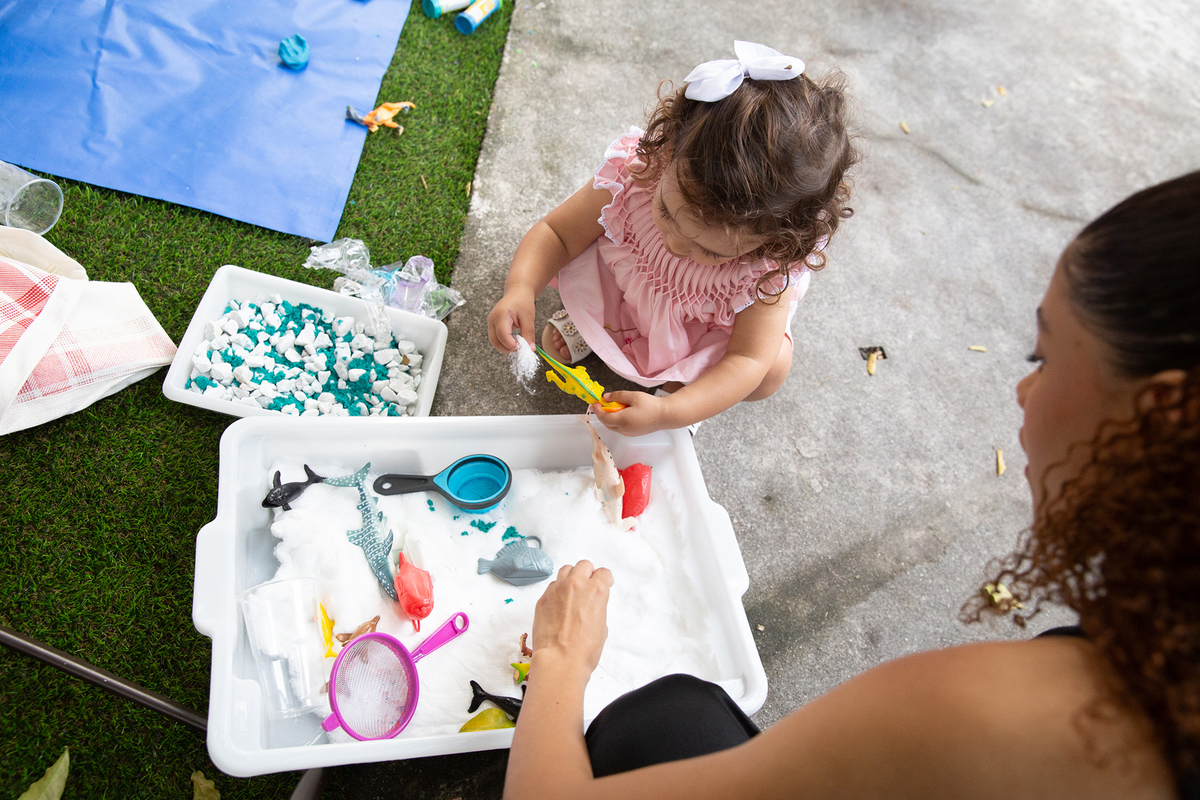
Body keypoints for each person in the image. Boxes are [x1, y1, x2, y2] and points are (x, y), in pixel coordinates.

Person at [503, 171, 1200, 799]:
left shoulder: (993, 717)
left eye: (1041, 355)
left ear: (1159, 413)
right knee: (674, 712)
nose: (1022, 389)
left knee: (656, 722)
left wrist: (561, 663)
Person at [487, 41, 858, 436]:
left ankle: (683, 385)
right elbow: (558, 234)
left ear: (777, 241)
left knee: (769, 370)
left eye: (711, 251)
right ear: (671, 146)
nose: (676, 246)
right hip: (629, 295)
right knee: (589, 244)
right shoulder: (639, 173)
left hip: (700, 326)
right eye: (665, 212)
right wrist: (521, 288)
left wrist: (672, 413)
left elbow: (747, 359)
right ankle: (604, 331)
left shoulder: (767, 270)